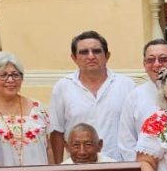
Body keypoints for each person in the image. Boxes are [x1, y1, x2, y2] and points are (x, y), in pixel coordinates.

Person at [49, 30, 136, 162]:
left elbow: (135, 129)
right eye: (84, 52)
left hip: (119, 165)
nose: (91, 56)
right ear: (74, 58)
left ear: (107, 55)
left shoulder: (127, 85)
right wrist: (57, 168)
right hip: (77, 166)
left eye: (96, 51)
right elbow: (57, 131)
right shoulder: (62, 87)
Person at [0, 52, 53, 166]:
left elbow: (48, 148)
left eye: (15, 74)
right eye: (2, 75)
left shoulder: (36, 107)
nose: (10, 80)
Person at [117, 39, 167, 162]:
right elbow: (127, 142)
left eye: (163, 59)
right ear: (144, 65)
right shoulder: (134, 97)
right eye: (150, 60)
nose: (156, 64)